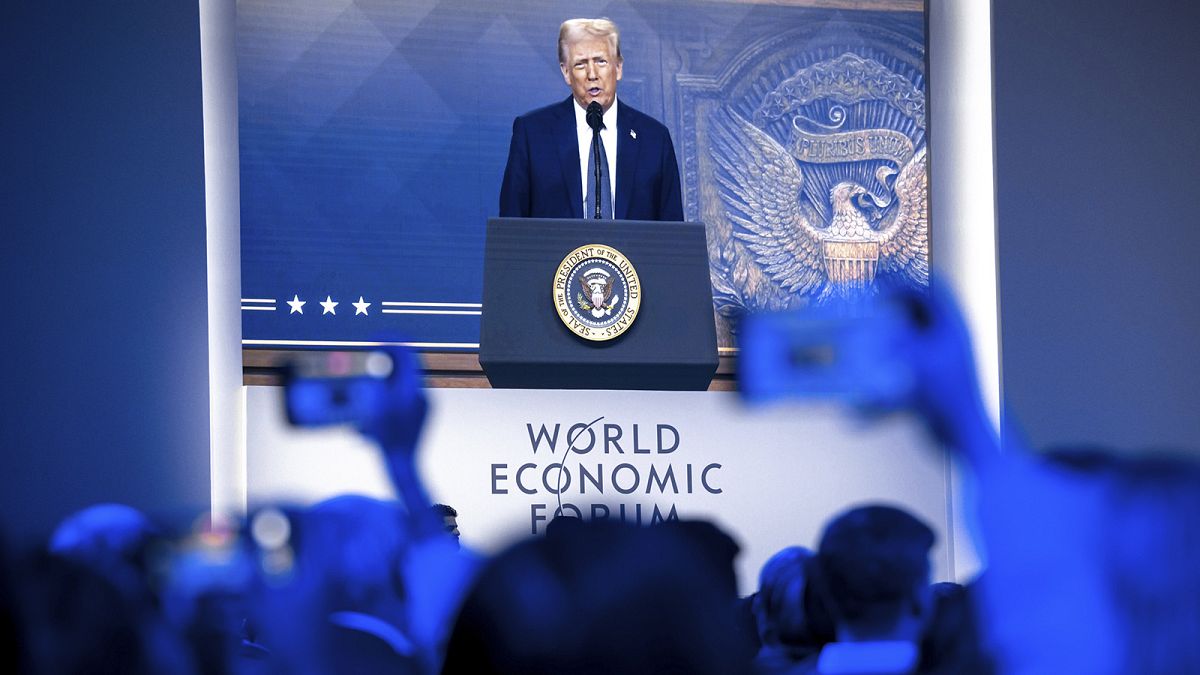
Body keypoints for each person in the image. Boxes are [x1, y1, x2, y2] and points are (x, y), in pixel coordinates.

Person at [499, 18, 684, 222]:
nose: (592, 74)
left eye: (601, 61)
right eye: (580, 64)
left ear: (618, 67)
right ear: (566, 72)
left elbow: (673, 232)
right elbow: (511, 226)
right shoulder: (533, 135)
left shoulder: (654, 139)